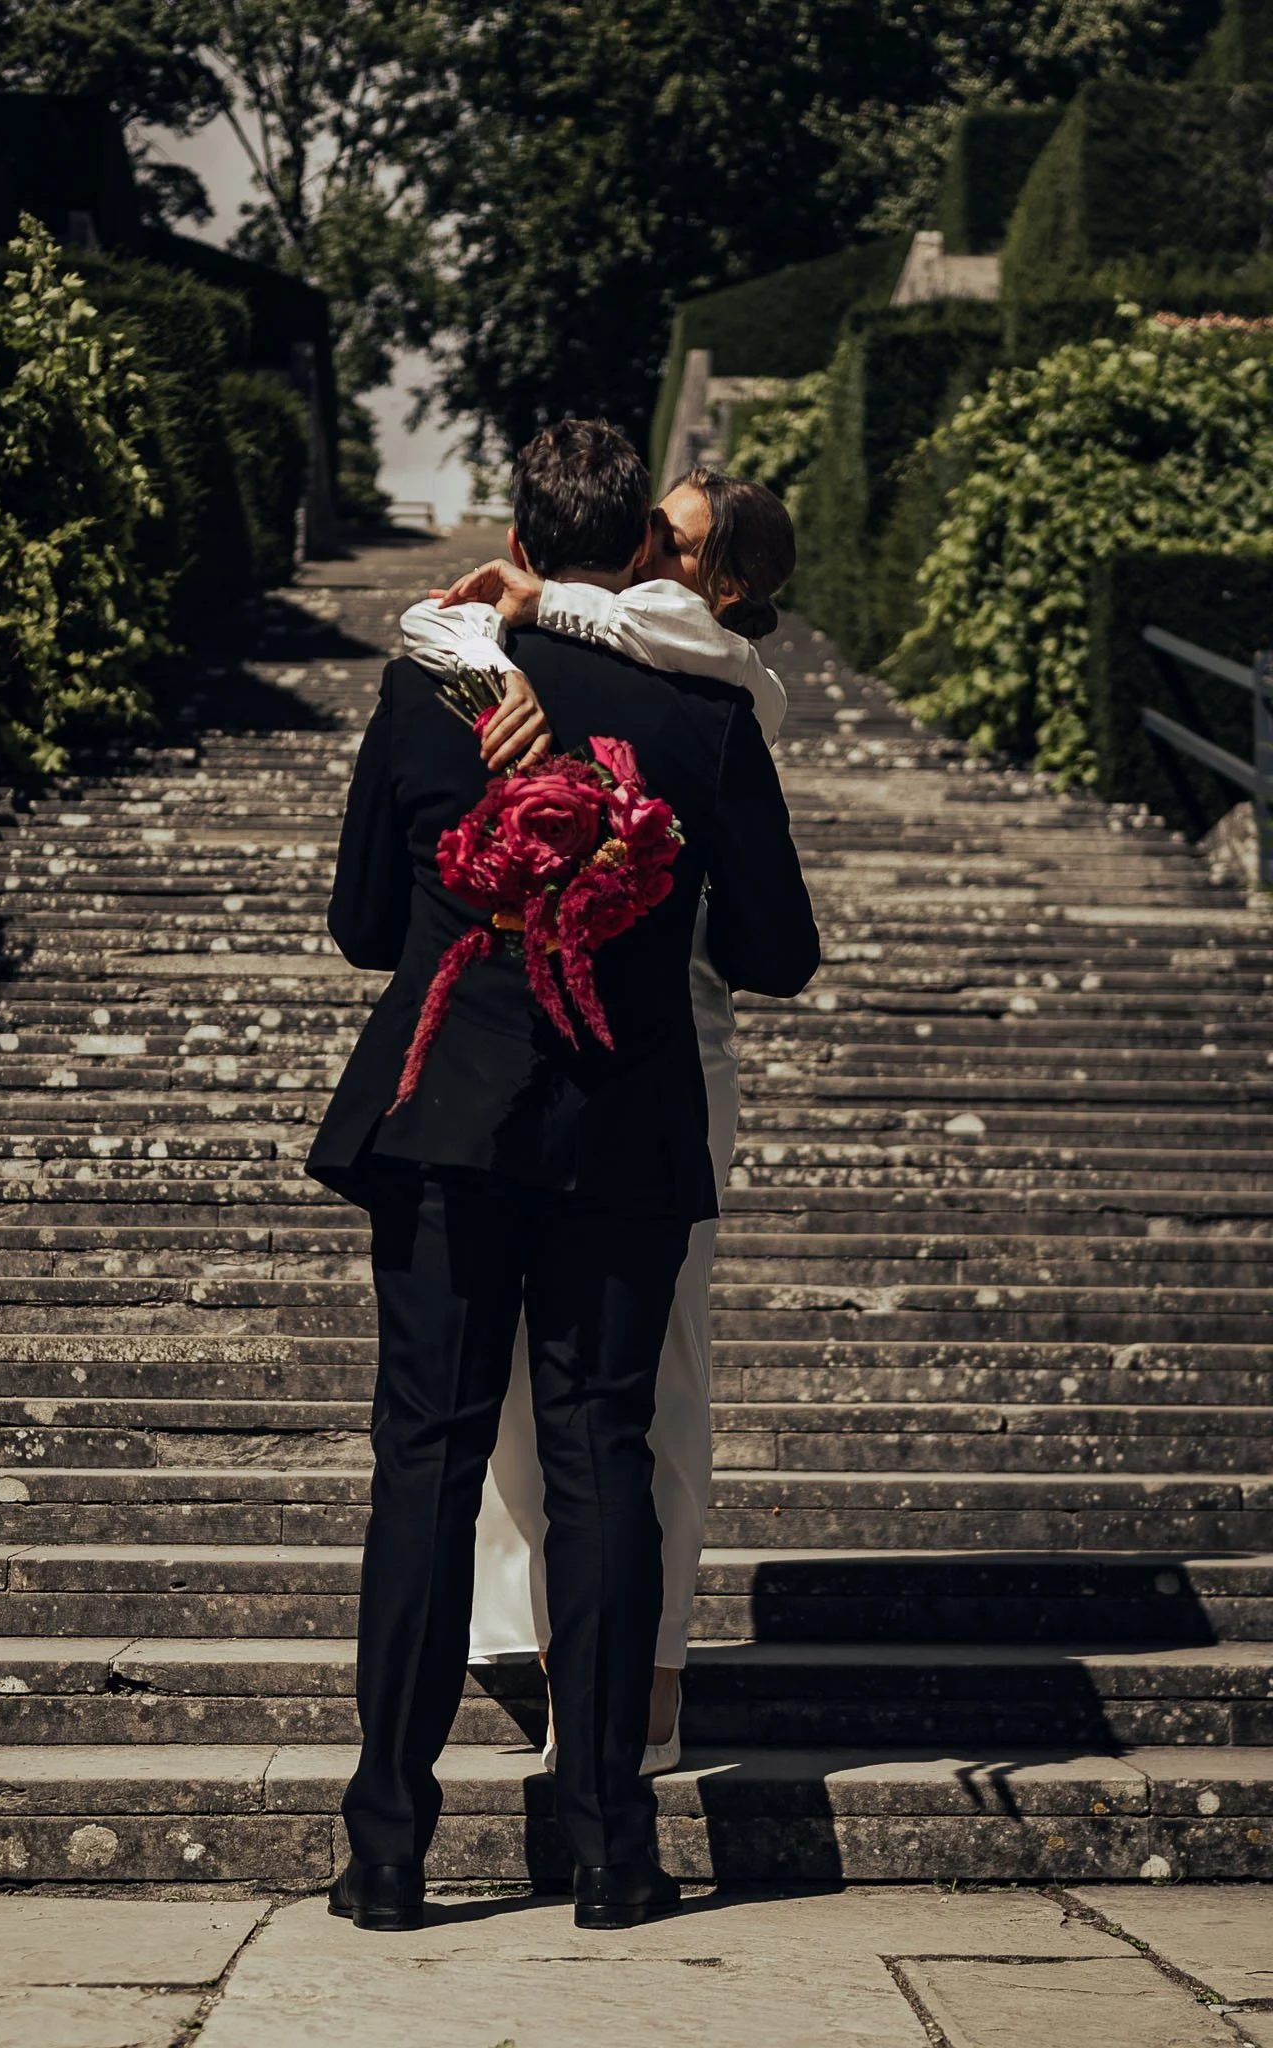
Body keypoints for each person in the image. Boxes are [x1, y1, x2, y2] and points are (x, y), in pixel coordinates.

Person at [306, 418, 819, 1935]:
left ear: (522, 545)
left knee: (427, 1463)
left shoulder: (430, 684)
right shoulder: (703, 710)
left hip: (444, 1113)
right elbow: (782, 955)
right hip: (623, 1125)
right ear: (640, 559)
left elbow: (353, 926)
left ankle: (388, 1855)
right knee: (603, 1465)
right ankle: (613, 1850)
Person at [398, 470, 798, 1773]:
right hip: (542, 1028)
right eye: (637, 539)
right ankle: (555, 1645)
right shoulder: (579, 641)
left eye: (665, 545)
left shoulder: (705, 663)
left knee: (653, 1364)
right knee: (527, 1376)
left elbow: (772, 942)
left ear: (721, 584)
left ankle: (649, 1670)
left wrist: (545, 598)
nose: (636, 560)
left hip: (666, 1040)